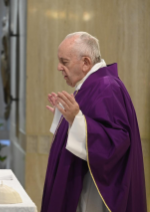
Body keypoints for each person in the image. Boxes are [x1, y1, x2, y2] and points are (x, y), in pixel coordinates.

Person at [41, 32, 147, 212]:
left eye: (64, 62)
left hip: (92, 190)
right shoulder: (90, 85)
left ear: (86, 63)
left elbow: (117, 142)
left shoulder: (107, 87)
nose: (59, 67)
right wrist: (63, 118)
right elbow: (89, 123)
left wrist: (76, 120)